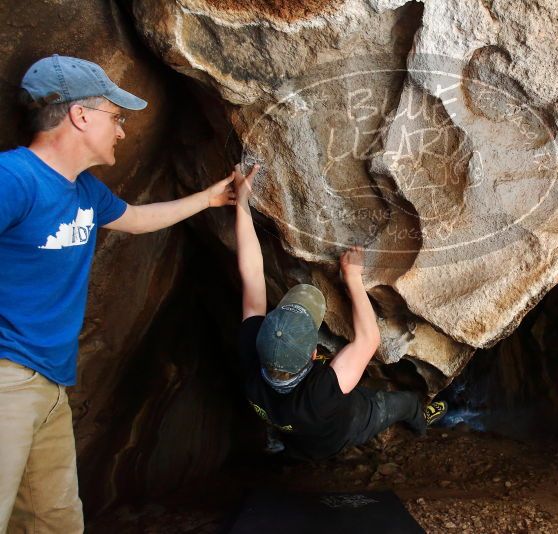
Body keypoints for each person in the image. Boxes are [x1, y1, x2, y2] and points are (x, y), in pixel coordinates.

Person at [0, 54, 240, 533]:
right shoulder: (13, 178)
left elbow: (134, 220)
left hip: (48, 386)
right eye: (116, 116)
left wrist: (209, 199)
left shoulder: (84, 191)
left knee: (57, 522)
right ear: (80, 115)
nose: (123, 131)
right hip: (6, 379)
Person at [233, 164, 447, 460]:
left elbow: (252, 274)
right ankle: (422, 424)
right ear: (312, 355)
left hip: (295, 433)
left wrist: (241, 202)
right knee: (406, 402)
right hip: (348, 426)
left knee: (296, 434)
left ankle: (286, 446)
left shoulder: (250, 358)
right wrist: (353, 278)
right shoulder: (319, 392)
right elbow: (369, 340)